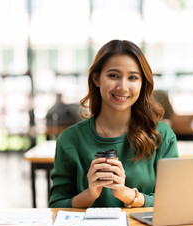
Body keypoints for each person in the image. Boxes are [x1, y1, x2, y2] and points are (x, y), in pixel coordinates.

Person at [49, 40, 179, 208]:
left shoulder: (162, 135)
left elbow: (173, 201)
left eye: (133, 77)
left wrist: (126, 194)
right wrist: (90, 194)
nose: (122, 87)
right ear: (96, 78)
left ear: (142, 83)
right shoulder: (70, 139)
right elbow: (56, 206)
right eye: (113, 76)